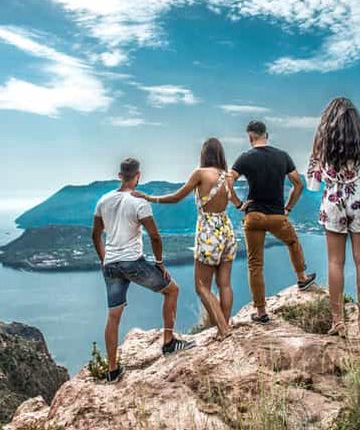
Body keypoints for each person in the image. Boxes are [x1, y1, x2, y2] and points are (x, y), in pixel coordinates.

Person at [91, 157, 194, 383]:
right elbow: (155, 236)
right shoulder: (139, 202)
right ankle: (168, 343)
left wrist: (104, 259)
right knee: (172, 290)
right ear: (138, 176)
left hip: (111, 264)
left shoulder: (103, 200)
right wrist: (159, 263)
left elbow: (96, 235)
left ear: (119, 176)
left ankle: (112, 370)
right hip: (133, 263)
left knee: (113, 315)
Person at [132, 138, 245, 340]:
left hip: (209, 233)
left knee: (201, 286)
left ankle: (223, 330)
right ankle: (225, 326)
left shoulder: (201, 174)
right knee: (225, 284)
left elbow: (177, 197)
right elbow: (237, 203)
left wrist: (150, 198)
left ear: (204, 154)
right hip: (227, 230)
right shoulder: (227, 177)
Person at [306, 97, 360, 337]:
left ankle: (338, 321)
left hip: (334, 199)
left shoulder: (322, 141)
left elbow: (313, 179)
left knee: (335, 262)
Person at [230, 120, 317, 324]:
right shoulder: (282, 156)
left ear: (250, 137)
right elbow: (298, 184)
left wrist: (238, 204)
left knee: (255, 264)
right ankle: (302, 278)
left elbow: (228, 181)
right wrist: (288, 208)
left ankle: (261, 313)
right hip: (278, 216)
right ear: (266, 135)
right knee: (293, 242)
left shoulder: (245, 158)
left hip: (253, 217)